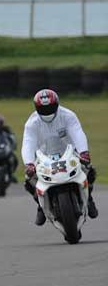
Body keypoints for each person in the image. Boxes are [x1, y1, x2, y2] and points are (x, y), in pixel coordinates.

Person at [21, 89, 98, 226]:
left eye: (50, 108)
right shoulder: (31, 123)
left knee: (89, 169)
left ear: (57, 105)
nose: (47, 112)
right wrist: (29, 163)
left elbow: (77, 132)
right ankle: (40, 205)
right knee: (29, 180)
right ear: (36, 108)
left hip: (68, 151)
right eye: (43, 109)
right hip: (44, 155)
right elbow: (28, 143)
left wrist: (83, 151)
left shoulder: (68, 115)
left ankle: (89, 198)